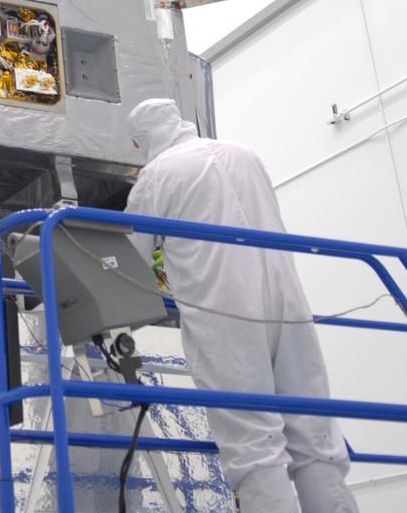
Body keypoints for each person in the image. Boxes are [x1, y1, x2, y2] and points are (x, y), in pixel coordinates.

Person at [123, 98, 358, 513]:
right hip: (287, 303)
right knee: (314, 435)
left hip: (226, 311)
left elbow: (129, 260)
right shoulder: (244, 153)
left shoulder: (157, 175)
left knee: (253, 443)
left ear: (142, 140)